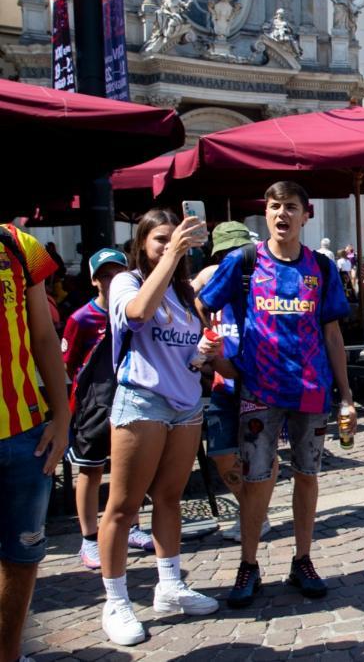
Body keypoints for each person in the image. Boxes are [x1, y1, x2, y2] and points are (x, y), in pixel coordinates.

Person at [199, 182, 355, 610]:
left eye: (290, 207)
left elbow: (333, 333)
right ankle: (248, 564)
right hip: (260, 390)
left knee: (307, 475)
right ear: (265, 213)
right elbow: (203, 302)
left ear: (307, 215)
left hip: (311, 391)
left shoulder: (321, 268)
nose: (281, 214)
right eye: (273, 206)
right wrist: (223, 357)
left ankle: (302, 559)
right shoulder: (244, 261)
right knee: (255, 480)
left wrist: (346, 396)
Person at [99, 209, 220, 646]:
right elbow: (136, 314)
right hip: (142, 400)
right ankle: (115, 601)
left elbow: (191, 349)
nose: (170, 246)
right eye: (161, 240)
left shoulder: (186, 293)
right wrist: (171, 257)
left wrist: (206, 350)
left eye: (176, 239)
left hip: (185, 405)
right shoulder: (126, 281)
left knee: (169, 498)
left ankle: (169, 586)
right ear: (143, 243)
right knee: (123, 505)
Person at [0, 223, 69, 662]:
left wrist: (62, 416)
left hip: (25, 434)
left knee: (22, 558)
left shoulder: (19, 244)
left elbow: (43, 335)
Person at [63, 249, 157, 569]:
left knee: (126, 468)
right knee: (90, 470)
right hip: (93, 404)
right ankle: (89, 537)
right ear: (93, 280)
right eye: (104, 274)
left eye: (117, 272)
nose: (111, 279)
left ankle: (130, 525)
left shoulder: (135, 309)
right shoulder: (81, 319)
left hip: (128, 397)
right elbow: (69, 361)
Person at [189, 222, 273, 545]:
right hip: (224, 380)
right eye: (225, 255)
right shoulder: (212, 284)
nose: (232, 261)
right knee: (223, 451)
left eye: (238, 253)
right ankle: (253, 509)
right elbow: (192, 302)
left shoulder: (262, 278)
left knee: (262, 452)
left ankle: (255, 515)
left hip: (258, 377)